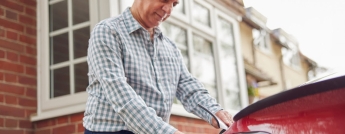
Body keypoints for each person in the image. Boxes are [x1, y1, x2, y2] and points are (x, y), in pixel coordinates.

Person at [83, 0, 233, 133]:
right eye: (164, 0)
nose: (168, 10)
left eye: (174, 4)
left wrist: (215, 112)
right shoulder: (108, 32)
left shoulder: (170, 47)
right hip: (110, 131)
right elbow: (119, 93)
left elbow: (189, 88)